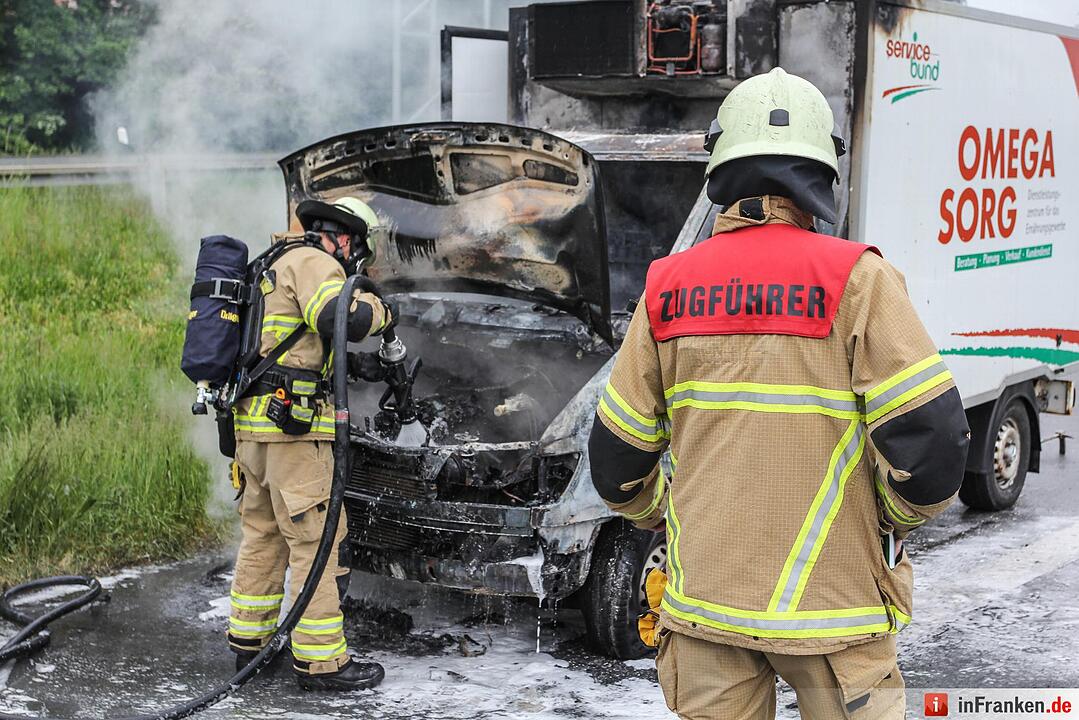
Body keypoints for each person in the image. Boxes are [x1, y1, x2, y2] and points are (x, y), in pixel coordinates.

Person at [588, 67, 970, 719]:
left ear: (721, 167)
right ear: (820, 171)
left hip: (704, 609)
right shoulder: (858, 280)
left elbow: (616, 460)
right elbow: (933, 447)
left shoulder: (667, 287)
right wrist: (888, 520)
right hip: (834, 613)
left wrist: (665, 512)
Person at [227, 196, 392, 691]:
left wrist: (363, 368)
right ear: (345, 238)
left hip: (253, 434)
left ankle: (248, 648)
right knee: (315, 544)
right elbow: (338, 317)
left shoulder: (272, 263)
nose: (356, 263)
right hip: (294, 440)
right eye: (358, 251)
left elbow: (294, 347)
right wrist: (384, 312)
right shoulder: (317, 261)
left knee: (263, 537)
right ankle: (322, 664)